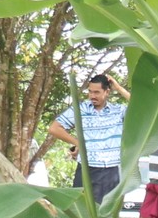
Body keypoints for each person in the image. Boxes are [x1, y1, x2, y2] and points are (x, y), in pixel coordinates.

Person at [48, 72, 131, 204]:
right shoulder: (80, 109)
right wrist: (78, 142)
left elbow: (140, 106)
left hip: (111, 171)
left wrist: (119, 88)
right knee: (82, 212)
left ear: (107, 92)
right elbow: (54, 128)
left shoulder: (118, 111)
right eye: (90, 92)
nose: (92, 96)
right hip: (86, 169)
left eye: (97, 92)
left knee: (106, 217)